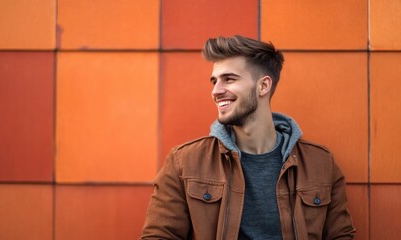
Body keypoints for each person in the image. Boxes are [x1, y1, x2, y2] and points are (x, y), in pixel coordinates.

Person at [140, 35, 355, 239]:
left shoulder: (320, 164)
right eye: (214, 81)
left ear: (263, 86)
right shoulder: (184, 163)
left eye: (229, 79)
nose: (216, 91)